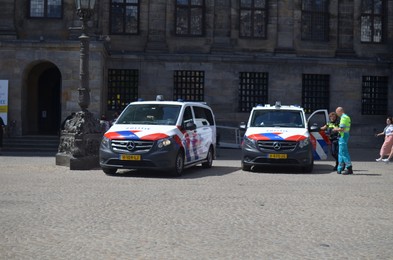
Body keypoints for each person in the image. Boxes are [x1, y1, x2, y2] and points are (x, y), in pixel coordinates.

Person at [334, 107, 353, 175]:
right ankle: (340, 168)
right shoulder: (347, 117)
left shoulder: (343, 118)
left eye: (337, 113)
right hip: (344, 135)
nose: (337, 114)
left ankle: (349, 168)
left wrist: (336, 129)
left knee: (344, 152)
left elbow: (341, 129)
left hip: (343, 136)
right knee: (340, 152)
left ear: (340, 111)